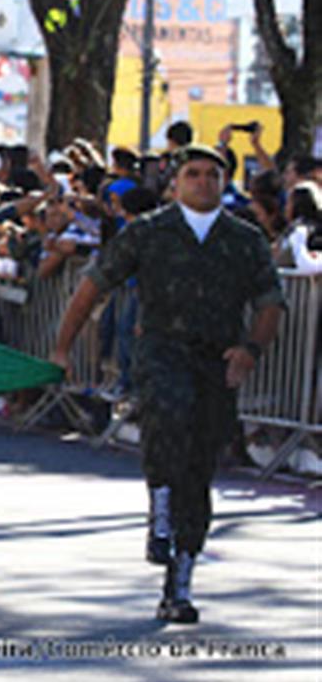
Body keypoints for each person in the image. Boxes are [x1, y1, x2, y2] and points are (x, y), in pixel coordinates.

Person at [51, 145, 284, 624]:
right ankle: (159, 503)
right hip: (161, 351)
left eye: (213, 175)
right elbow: (95, 285)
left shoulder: (244, 239)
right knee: (168, 420)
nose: (203, 182)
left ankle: (179, 582)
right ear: (175, 183)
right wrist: (62, 346)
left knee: (199, 466)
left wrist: (250, 350)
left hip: (216, 360)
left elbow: (270, 302)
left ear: (223, 182)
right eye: (193, 174)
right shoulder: (149, 232)